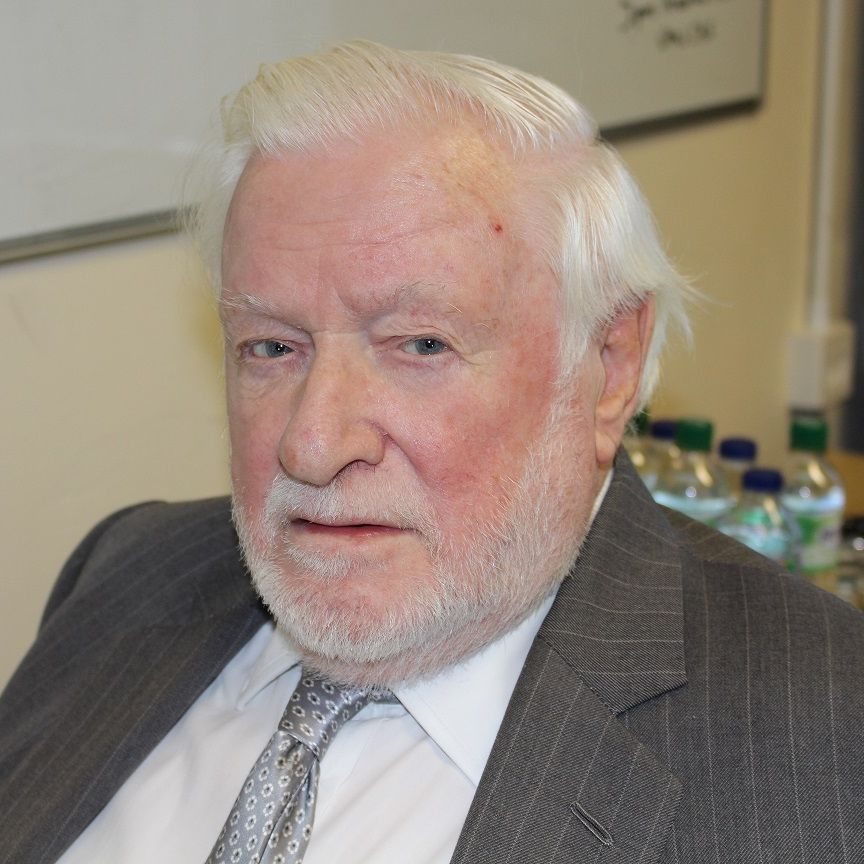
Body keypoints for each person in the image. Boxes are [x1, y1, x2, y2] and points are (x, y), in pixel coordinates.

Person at [0, 41, 861, 864]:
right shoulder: (123, 572)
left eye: (418, 345)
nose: (312, 445)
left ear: (608, 364)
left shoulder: (823, 744)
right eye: (271, 347)